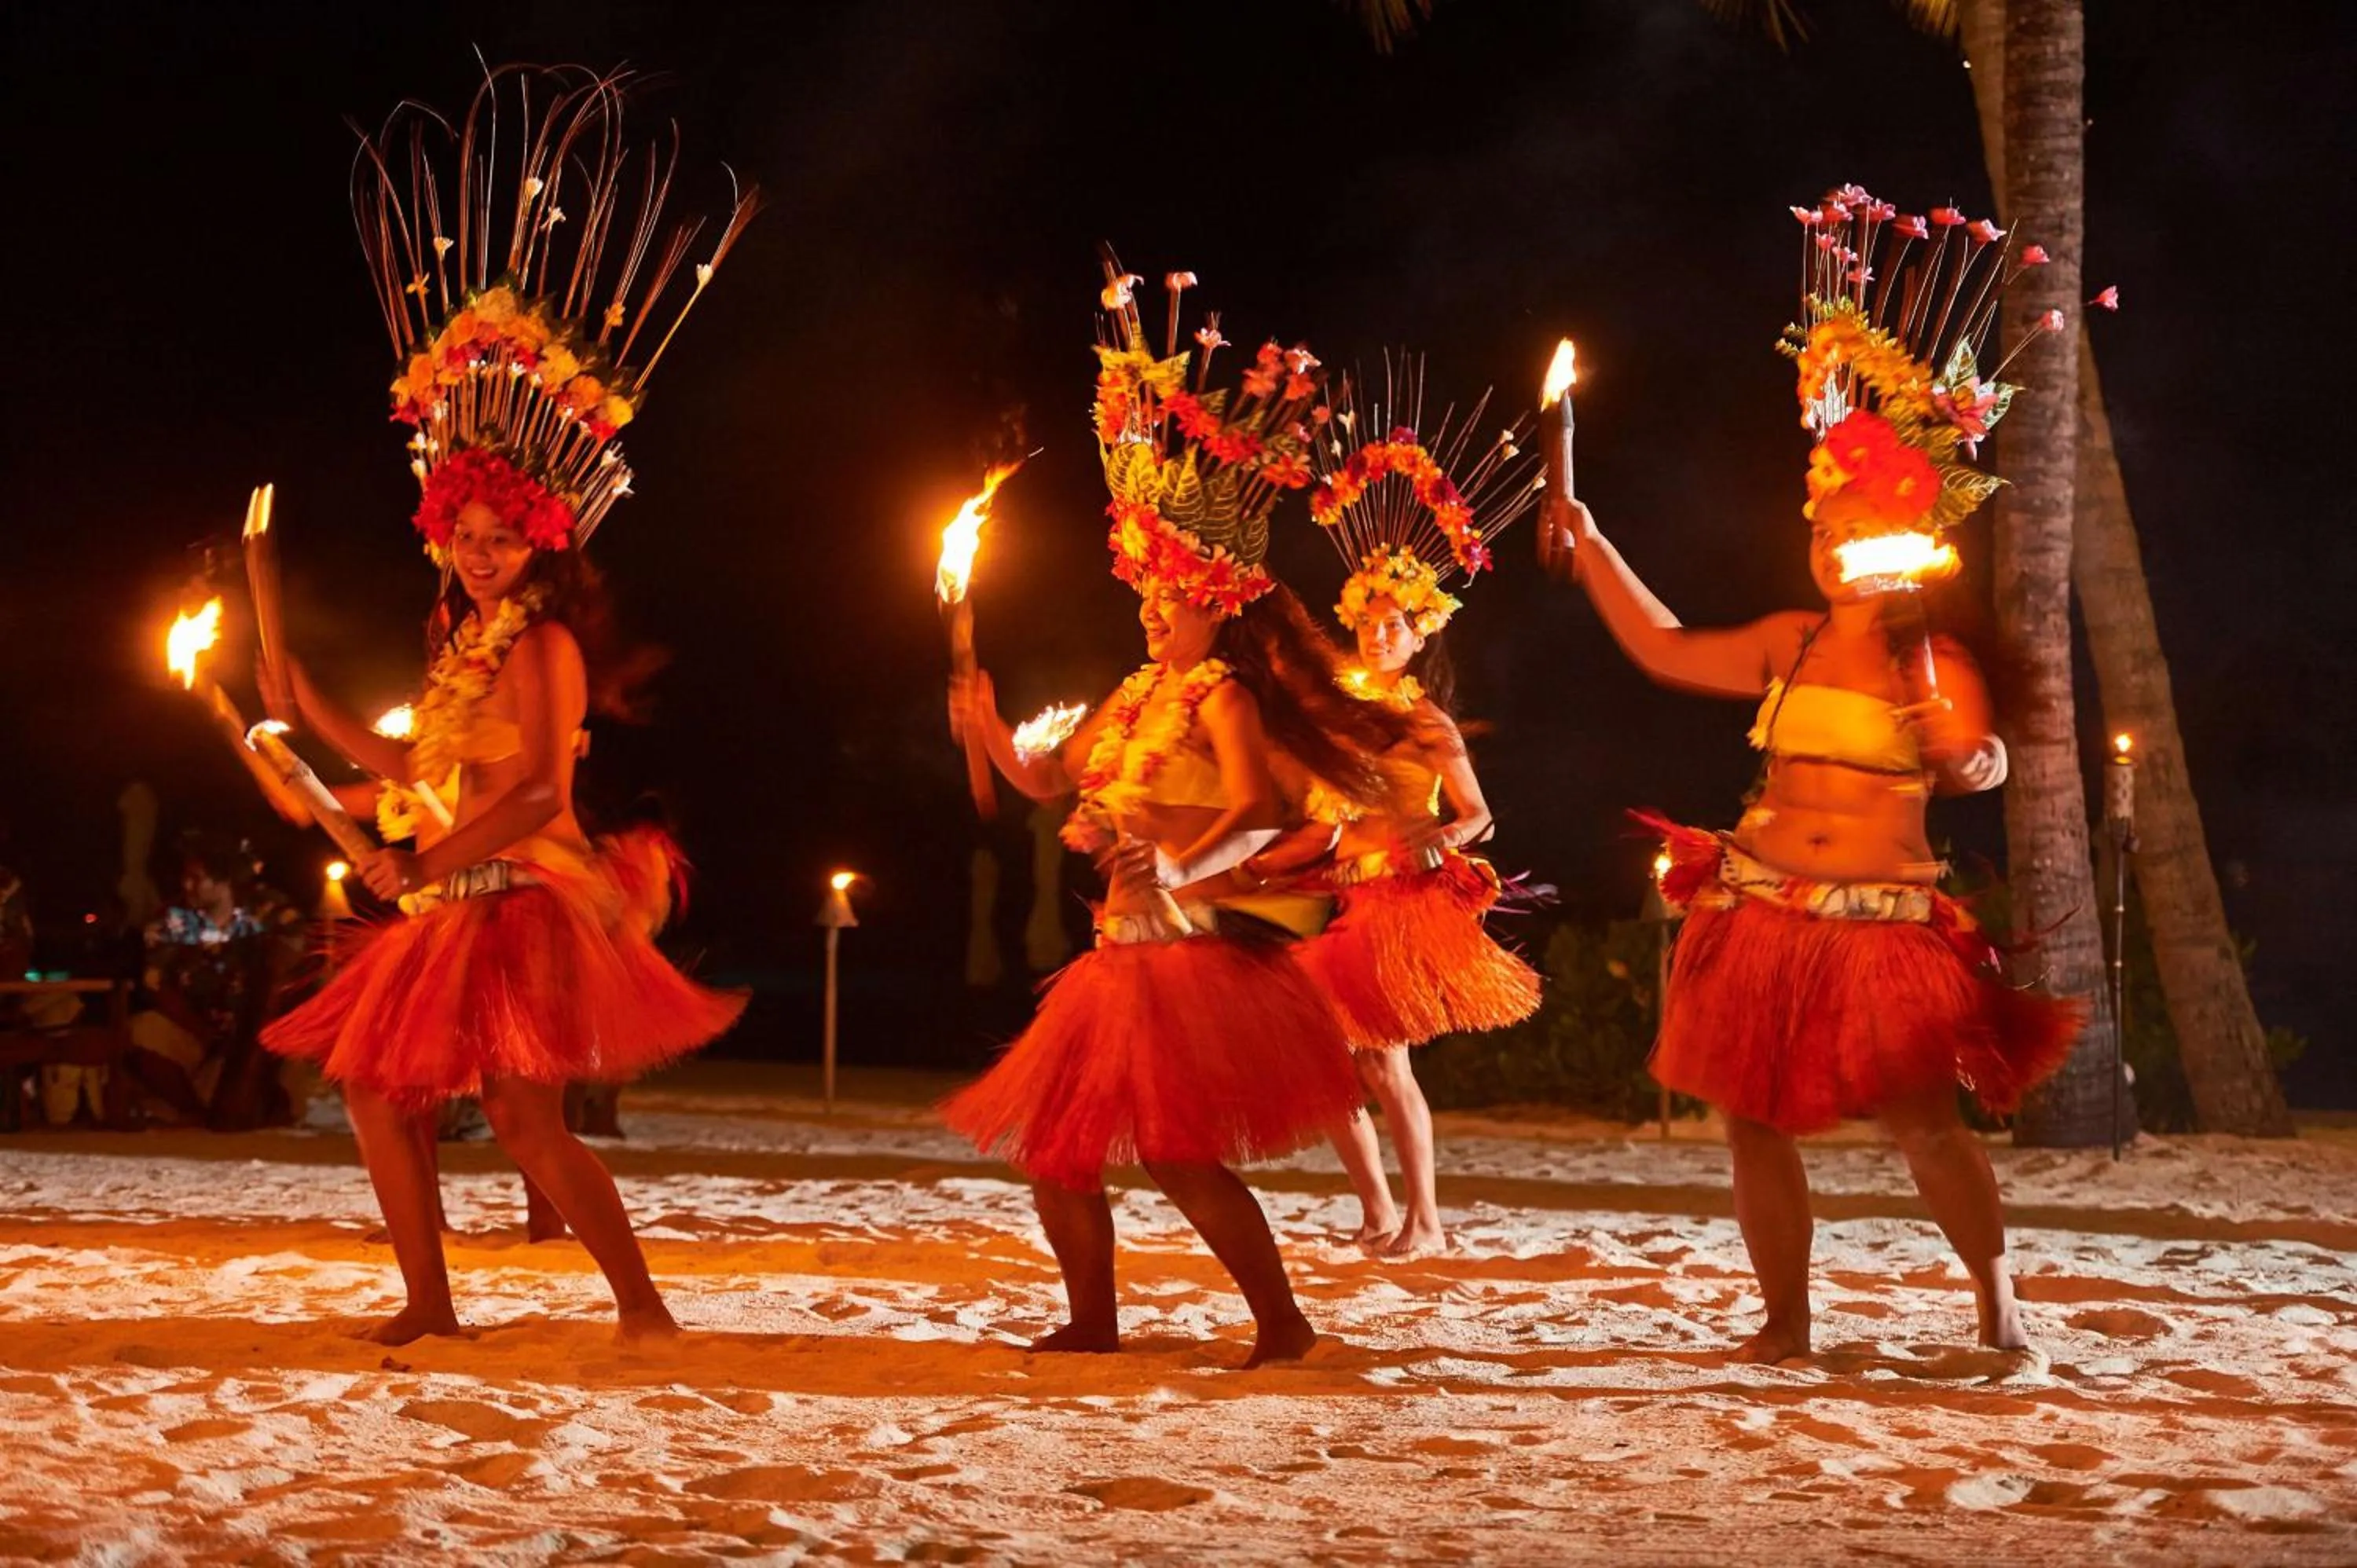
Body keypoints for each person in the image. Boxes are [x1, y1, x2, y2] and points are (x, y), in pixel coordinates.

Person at [1540, 185, 2084, 1361]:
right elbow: (1663, 647)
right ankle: (1784, 1321)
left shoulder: (1928, 655)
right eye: (1824, 528)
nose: (1836, 546)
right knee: (1750, 1123)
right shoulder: (1788, 641)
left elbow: (1974, 758)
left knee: (1922, 1126)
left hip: (1881, 928)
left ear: (1901, 533)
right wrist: (1590, 544)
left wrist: (1974, 760)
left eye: (1858, 528)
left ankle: (2001, 1309)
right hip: (1764, 910)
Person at [255, 65, 754, 1346]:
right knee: (376, 1093)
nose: (479, 553)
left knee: (528, 1121)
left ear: (539, 537)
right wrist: (299, 703)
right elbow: (403, 765)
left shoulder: (544, 649)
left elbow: (534, 793)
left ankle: (642, 1305)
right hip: (453, 892)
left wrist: (416, 863)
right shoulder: (458, 646)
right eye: (461, 534)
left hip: (521, 896)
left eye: (499, 536)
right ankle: (430, 1300)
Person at [941, 262, 1409, 1365]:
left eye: (1175, 594)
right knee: (1058, 1149)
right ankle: (1094, 1322)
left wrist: (1178, 857)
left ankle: (1285, 1325)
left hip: (1188, 950)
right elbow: (1055, 784)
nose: (1155, 609)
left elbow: (1253, 804)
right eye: (1146, 591)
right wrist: (992, 732)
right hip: (1119, 951)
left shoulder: (1228, 692)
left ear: (1218, 599)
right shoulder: (1140, 690)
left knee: (1180, 1156)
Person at [1296, 370, 1543, 1257]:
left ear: (1420, 633)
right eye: (1369, 622)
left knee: (1385, 1063)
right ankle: (1373, 1210)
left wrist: (1429, 836)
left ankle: (1426, 1220)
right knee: (1335, 1065)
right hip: (1349, 900)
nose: (1378, 635)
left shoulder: (1426, 720)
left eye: (1394, 625)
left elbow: (1475, 813)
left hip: (1399, 905)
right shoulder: (1345, 715)